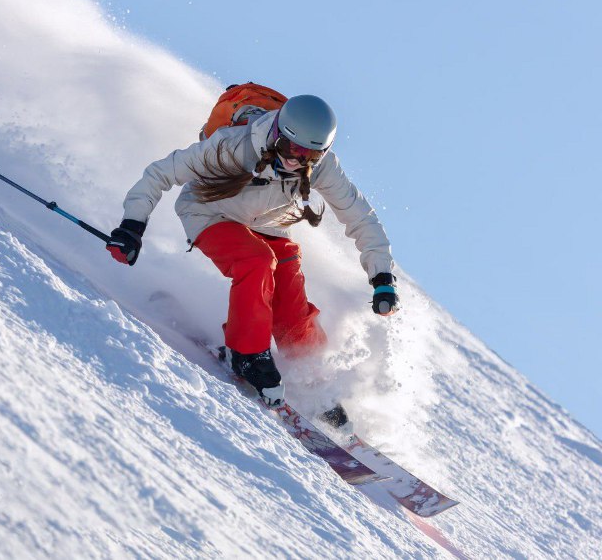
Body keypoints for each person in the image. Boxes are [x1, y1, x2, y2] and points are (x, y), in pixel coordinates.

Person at [106, 91, 399, 421]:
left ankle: (312, 378)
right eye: (290, 148)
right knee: (257, 262)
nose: (294, 160)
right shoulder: (233, 145)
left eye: (307, 155)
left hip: (267, 225)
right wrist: (132, 225)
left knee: (290, 299)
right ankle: (246, 354)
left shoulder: (321, 168)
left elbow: (360, 217)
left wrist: (382, 277)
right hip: (210, 214)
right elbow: (161, 173)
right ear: (277, 133)